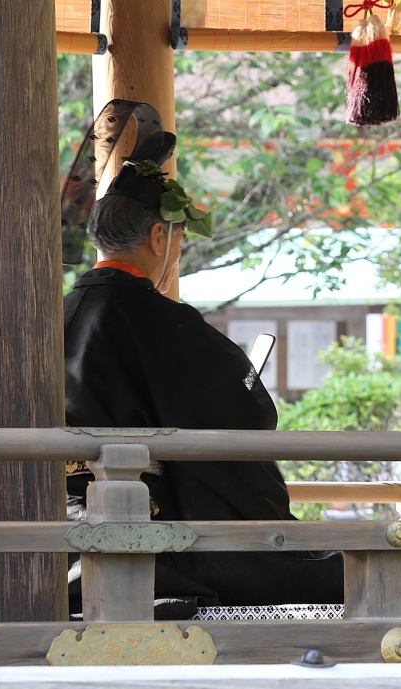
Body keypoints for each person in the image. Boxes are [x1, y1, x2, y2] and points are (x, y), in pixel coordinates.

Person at [63, 103, 342, 618]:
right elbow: (240, 416)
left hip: (59, 527)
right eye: (178, 237)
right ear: (156, 237)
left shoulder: (60, 313)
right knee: (336, 574)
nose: (177, 248)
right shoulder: (159, 321)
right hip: (149, 531)